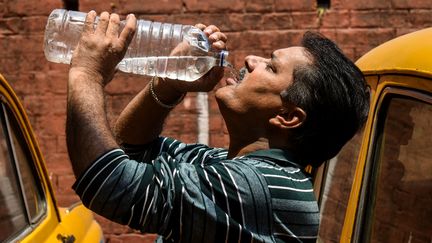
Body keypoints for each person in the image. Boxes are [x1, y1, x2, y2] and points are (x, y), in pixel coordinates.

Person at [66, 10, 369, 243]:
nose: (251, 60)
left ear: (289, 117)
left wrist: (86, 73)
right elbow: (130, 148)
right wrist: (170, 83)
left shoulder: (255, 188)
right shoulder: (228, 165)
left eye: (270, 66)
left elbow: (108, 183)